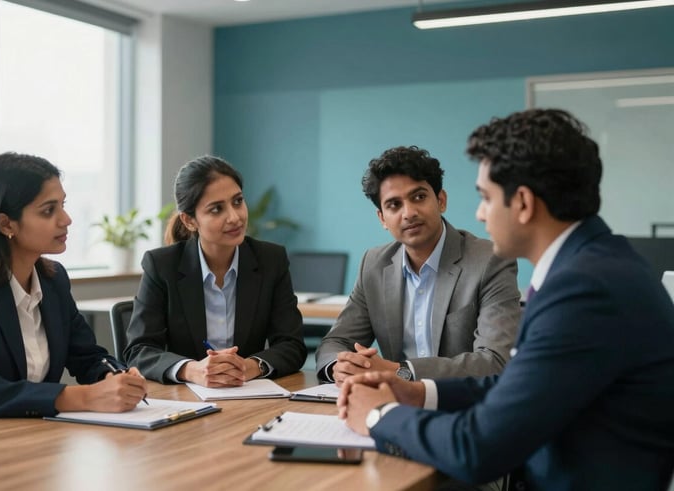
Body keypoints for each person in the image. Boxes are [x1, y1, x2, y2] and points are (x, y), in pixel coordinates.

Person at [338, 109, 674, 490]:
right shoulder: (595, 267)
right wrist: (417, 391)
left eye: (485, 197)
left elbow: (477, 448)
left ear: (524, 203)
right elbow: (521, 384)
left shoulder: (584, 290)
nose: (480, 214)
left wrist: (379, 416)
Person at [0, 152, 147, 423]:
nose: (66, 219)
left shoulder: (54, 281)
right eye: (48, 210)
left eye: (63, 205)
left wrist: (116, 378)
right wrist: (84, 397)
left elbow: (87, 356)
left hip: (29, 435)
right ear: (6, 223)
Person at [315, 145, 521, 385]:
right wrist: (340, 367)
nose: (409, 213)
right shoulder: (373, 264)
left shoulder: (490, 260)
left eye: (419, 197)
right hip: (393, 403)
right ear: (382, 218)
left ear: (441, 200)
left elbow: (495, 361)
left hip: (460, 404)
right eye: (394, 205)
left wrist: (400, 371)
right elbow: (335, 342)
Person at [124, 155, 307, 387]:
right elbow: (139, 350)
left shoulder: (271, 260)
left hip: (249, 396)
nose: (234, 217)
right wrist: (191, 370)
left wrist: (250, 366)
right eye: (216, 209)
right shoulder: (162, 266)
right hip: (186, 400)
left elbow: (292, 344)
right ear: (189, 221)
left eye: (238, 201)